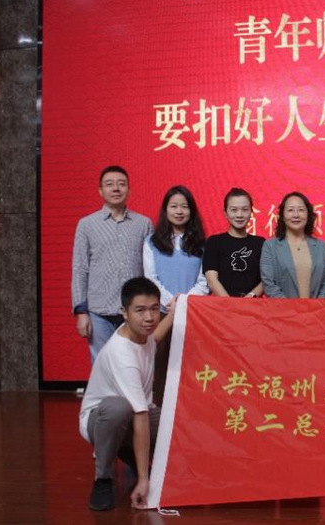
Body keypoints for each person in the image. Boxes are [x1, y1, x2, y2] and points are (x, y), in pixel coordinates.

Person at [79, 277, 174, 511]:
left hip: (134, 415)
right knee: (119, 408)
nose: (149, 317)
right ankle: (103, 478)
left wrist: (175, 312)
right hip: (100, 420)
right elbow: (139, 416)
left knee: (175, 418)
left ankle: (126, 448)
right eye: (140, 310)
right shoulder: (122, 354)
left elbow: (156, 338)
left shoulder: (143, 334)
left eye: (154, 309)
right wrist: (143, 480)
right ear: (124, 312)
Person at [72, 166, 153, 363]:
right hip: (99, 311)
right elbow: (80, 269)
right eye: (109, 184)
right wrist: (81, 312)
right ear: (101, 191)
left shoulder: (144, 224)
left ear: (129, 190)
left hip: (134, 310)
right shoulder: (87, 224)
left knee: (134, 364)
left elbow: (150, 270)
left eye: (121, 184)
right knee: (102, 366)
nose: (116, 188)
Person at [143, 185, 209, 405]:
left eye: (184, 206)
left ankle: (190, 411)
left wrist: (185, 301)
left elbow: (204, 280)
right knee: (161, 364)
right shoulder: (151, 242)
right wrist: (171, 302)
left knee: (192, 365)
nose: (179, 211)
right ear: (166, 210)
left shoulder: (202, 244)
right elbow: (150, 277)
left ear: (191, 211)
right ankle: (160, 412)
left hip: (193, 313)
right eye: (174, 206)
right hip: (162, 313)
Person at [260, 192, 325, 298]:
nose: (296, 215)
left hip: (317, 308)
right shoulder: (270, 246)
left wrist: (317, 306)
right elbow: (269, 284)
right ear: (282, 216)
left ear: (308, 214)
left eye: (301, 210)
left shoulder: (321, 247)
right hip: (282, 308)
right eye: (290, 210)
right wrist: (291, 307)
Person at [203, 188, 265, 298]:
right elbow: (211, 280)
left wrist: (251, 296)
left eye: (245, 209)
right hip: (222, 305)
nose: (239, 215)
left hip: (253, 305)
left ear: (251, 212)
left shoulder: (261, 243)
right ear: (225, 213)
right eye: (234, 210)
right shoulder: (214, 242)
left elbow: (267, 278)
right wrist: (231, 304)